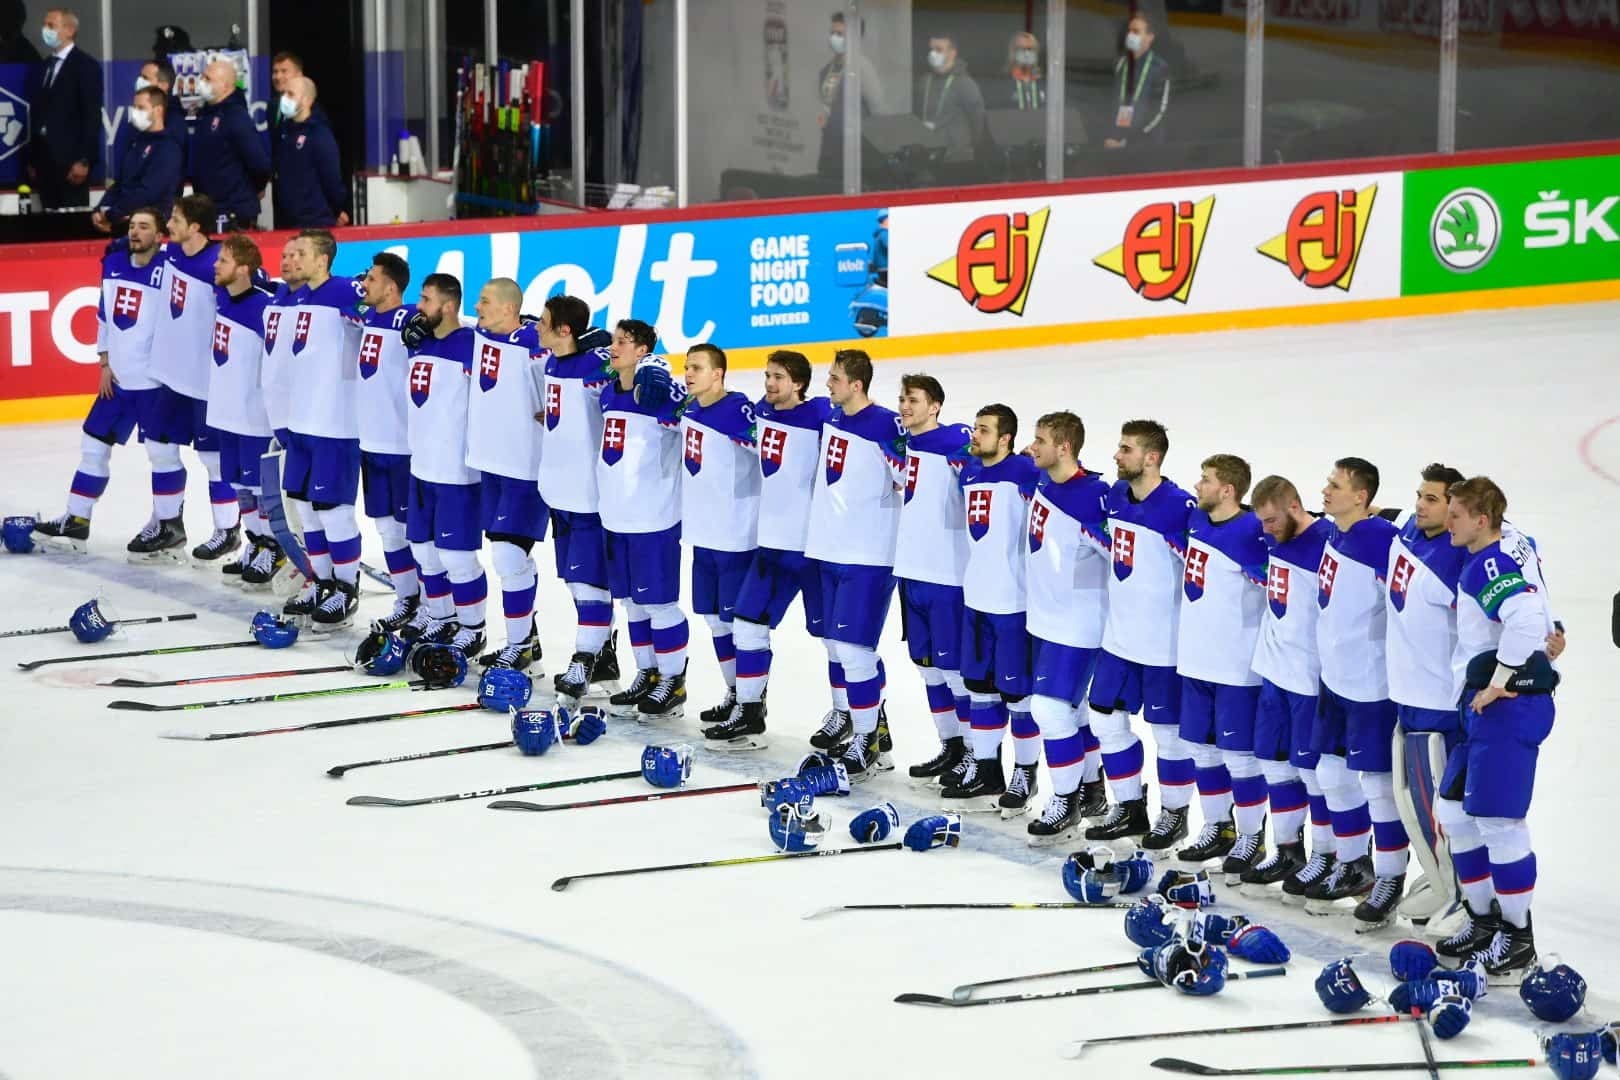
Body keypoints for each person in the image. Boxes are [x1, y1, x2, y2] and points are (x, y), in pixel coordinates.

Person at [1435, 476, 1558, 980]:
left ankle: (1517, 937)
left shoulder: (1488, 561)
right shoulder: (1489, 555)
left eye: (1456, 515)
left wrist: (1500, 679)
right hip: (1484, 709)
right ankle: (1484, 920)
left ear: (1481, 520)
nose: (1448, 522)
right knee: (1453, 809)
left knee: (1501, 825)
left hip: (1508, 709)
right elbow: (1540, 609)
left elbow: (1527, 615)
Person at [1083, 419, 1196, 850]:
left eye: (1126, 449)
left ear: (1151, 458)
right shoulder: (1114, 496)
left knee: (1169, 734)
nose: (1116, 455)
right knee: (1105, 719)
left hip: (1164, 646)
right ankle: (1129, 807)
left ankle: (1174, 815)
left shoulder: (1181, 509)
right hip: (1118, 639)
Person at [31, 208, 168, 552]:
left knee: (162, 456)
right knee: (92, 447)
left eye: (144, 227)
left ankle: (167, 528)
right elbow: (105, 314)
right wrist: (104, 360)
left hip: (155, 386)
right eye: (133, 225)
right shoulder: (114, 263)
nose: (135, 232)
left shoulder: (171, 270)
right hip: (118, 382)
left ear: (160, 235)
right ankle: (77, 520)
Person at [716, 351, 832, 750]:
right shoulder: (760, 414)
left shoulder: (822, 417)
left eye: (778, 377)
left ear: (798, 384)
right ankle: (750, 711)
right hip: (770, 547)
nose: (768, 384)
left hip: (813, 549)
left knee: (839, 643)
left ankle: (860, 719)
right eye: (767, 376)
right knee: (747, 624)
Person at [803, 349, 907, 780]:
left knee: (855, 649)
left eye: (835, 378)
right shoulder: (831, 416)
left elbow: (907, 477)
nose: (828, 384)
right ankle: (852, 716)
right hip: (827, 546)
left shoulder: (886, 424)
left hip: (868, 553)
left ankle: (868, 739)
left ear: (857, 384)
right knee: (833, 643)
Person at [1307, 457, 1403, 912]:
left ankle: (1389, 877)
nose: (1325, 490)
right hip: (1334, 678)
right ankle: (1352, 863)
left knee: (1378, 786)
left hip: (1370, 686)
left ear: (1360, 497)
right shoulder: (1336, 532)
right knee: (1329, 772)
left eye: (1335, 485)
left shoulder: (1380, 540)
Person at [1380, 463, 1469, 931]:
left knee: (1446, 807)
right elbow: (1382, 514)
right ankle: (1438, 880)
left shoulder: (1460, 556)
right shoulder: (1408, 527)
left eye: (1432, 499)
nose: (1419, 505)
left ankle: (1465, 895)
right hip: (1405, 694)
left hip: (1440, 700)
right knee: (1411, 799)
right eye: (1419, 495)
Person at [1174, 454, 1271, 877]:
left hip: (1236, 666)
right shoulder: (1196, 520)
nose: (1198, 484)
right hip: (1195, 658)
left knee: (1240, 756)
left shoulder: (1252, 533)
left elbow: (1275, 587)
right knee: (1202, 750)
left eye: (1206, 479)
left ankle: (1251, 834)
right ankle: (1217, 827)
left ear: (1228, 490)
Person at [941, 403, 1041, 812]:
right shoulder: (970, 470)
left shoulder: (1025, 473)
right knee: (979, 689)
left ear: (1005, 439)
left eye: (983, 430)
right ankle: (986, 768)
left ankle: (1026, 772)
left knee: (1018, 695)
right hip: (976, 598)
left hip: (1013, 604)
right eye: (975, 428)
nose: (973, 435)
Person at [1021, 411, 1111, 843]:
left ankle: (1065, 801)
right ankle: (1092, 791)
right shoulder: (1043, 481)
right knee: (1072, 712)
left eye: (1040, 440)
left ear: (1065, 447)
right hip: (1045, 619)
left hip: (1077, 626)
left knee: (1049, 711)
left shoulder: (1095, 497)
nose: (1031, 447)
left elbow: (1124, 558)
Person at [1244, 475, 1335, 899]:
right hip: (1273, 672)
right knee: (1274, 765)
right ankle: (1287, 848)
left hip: (1308, 679)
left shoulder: (1328, 543)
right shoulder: (1273, 537)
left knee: (1313, 774)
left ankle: (1329, 855)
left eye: (1272, 520)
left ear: (1296, 506)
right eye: (1261, 520)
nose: (1265, 529)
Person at [596, 320, 691, 719]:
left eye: (623, 342)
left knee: (660, 604)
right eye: (614, 340)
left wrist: (662, 369)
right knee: (632, 603)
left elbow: (691, 419)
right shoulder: (607, 394)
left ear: (643, 350)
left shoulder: (660, 392)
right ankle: (647, 673)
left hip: (654, 518)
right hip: (616, 516)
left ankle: (673, 679)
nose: (614, 347)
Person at [278, 229, 368, 629]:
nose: (293, 260)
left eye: (302, 254)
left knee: (334, 512)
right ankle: (322, 580)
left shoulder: (346, 292)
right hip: (301, 420)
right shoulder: (297, 296)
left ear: (323, 259)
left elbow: (388, 317)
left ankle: (347, 590)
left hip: (335, 423)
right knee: (305, 509)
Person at [534, 295, 620, 702]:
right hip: (559, 492)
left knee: (590, 583)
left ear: (565, 330)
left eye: (545, 322)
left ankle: (585, 658)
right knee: (574, 580)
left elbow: (637, 366)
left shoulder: (595, 366)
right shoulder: (552, 362)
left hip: (588, 495)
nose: (537, 326)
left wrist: (604, 349)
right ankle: (603, 656)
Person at [398, 274, 489, 650]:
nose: (419, 307)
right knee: (422, 549)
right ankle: (441, 615)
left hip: (457, 470)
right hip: (421, 464)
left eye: (426, 300)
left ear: (448, 306)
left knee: (457, 556)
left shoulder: (472, 344)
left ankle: (473, 628)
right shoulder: (419, 342)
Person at [889, 374, 972, 783]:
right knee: (927, 666)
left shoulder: (957, 444)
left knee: (955, 669)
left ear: (935, 406)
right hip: (911, 571)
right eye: (903, 399)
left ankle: (976, 753)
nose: (905, 407)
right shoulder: (904, 446)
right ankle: (951, 745)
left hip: (947, 575)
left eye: (914, 400)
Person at [464, 278, 548, 668]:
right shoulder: (480, 332)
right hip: (491, 464)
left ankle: (522, 644)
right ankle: (526, 640)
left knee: (508, 556)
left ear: (508, 309)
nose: (477, 306)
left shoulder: (534, 344)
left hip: (524, 468)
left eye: (485, 300)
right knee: (506, 553)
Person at [136, 193, 225, 563]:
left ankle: (228, 530)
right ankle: (169, 526)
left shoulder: (219, 265)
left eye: (175, 218)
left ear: (195, 227)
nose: (168, 225)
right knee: (158, 447)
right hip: (169, 377)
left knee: (213, 458)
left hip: (204, 382)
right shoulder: (171, 254)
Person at [678, 344, 762, 734]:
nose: (688, 374)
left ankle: (751, 705)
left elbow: (772, 452)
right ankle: (734, 692)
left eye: (697, 368)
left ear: (719, 374)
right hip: (702, 533)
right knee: (714, 620)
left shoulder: (739, 410)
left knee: (736, 622)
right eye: (686, 367)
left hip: (733, 535)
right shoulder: (690, 409)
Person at [353, 252, 420, 630]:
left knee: (418, 536)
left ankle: (434, 607)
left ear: (391, 287)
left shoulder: (409, 317)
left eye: (373, 279)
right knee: (387, 529)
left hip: (403, 446)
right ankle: (407, 598)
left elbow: (455, 326)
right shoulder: (367, 315)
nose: (366, 284)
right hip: (372, 442)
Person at [203, 233, 274, 584]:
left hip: (254, 418)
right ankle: (255, 543)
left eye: (223, 261)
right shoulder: (223, 299)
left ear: (243, 269)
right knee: (238, 487)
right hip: (225, 413)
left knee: (259, 489)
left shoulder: (264, 307)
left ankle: (273, 548)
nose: (215, 266)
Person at [27, 7, 102, 211]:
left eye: (51, 25)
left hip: (71, 164)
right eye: (44, 25)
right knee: (48, 225)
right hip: (44, 162)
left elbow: (92, 116)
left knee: (71, 224)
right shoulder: (44, 67)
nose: (45, 30)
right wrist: (33, 159)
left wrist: (83, 160)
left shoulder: (86, 66)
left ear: (69, 30)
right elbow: (38, 114)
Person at [190, 58, 271, 229]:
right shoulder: (205, 115)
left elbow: (259, 164)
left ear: (225, 86)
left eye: (208, 79)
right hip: (209, 210)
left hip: (232, 212)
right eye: (202, 77)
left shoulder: (236, 116)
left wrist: (254, 189)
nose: (201, 82)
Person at [94, 86, 184, 234]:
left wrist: (112, 214)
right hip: (125, 224)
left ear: (158, 110)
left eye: (141, 107)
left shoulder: (168, 148)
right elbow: (120, 184)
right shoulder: (136, 143)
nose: (135, 112)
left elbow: (149, 191)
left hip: (152, 229)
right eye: (134, 107)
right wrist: (99, 210)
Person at [816, 11, 884, 179]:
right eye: (832, 33)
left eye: (840, 34)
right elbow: (828, 104)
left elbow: (878, 110)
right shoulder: (827, 69)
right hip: (831, 150)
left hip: (855, 154)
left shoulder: (862, 68)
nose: (834, 38)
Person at [272, 76, 347, 228]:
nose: (285, 99)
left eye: (291, 94)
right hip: (287, 221)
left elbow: (332, 179)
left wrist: (336, 209)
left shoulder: (319, 134)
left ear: (307, 101)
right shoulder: (284, 132)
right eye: (284, 94)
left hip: (315, 222)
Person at [1105, 13, 1171, 151]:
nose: (1130, 35)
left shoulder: (1159, 68)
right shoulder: (1121, 64)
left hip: (1147, 146)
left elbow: (1159, 113)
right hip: (1115, 143)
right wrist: (1111, 136)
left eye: (1136, 31)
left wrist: (1127, 142)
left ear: (1149, 37)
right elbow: (1111, 104)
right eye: (1129, 31)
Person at [916, 32, 984, 164]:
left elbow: (978, 122)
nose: (933, 54)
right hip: (927, 155)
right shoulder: (924, 81)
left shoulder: (965, 84)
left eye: (939, 50)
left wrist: (963, 145)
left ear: (952, 53)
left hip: (956, 158)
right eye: (931, 49)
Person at [993, 30, 1046, 112]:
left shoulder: (1044, 85)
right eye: (1022, 49)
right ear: (1012, 52)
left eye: (1031, 49)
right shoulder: (1001, 84)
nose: (1027, 53)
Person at [269, 52, 304, 136]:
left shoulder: (308, 106)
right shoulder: (272, 106)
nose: (278, 76)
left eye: (284, 71)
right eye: (275, 71)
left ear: (299, 75)